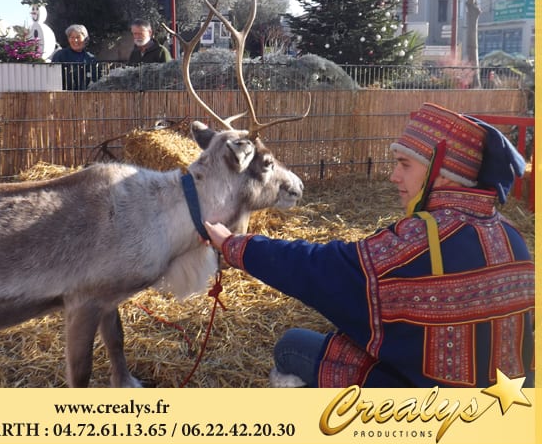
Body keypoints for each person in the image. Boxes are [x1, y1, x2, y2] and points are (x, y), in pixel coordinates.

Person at [204, 102, 534, 388]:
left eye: (405, 165)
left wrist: (234, 245)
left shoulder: (424, 240)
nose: (394, 176)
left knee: (291, 346)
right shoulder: (512, 235)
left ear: (444, 172)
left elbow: (320, 269)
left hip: (432, 409)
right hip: (505, 404)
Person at [52, 24, 100, 90]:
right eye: (72, 37)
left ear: (85, 39)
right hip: (64, 96)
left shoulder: (90, 58)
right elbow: (53, 78)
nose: (75, 40)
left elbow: (96, 80)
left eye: (78, 37)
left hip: (86, 96)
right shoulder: (60, 55)